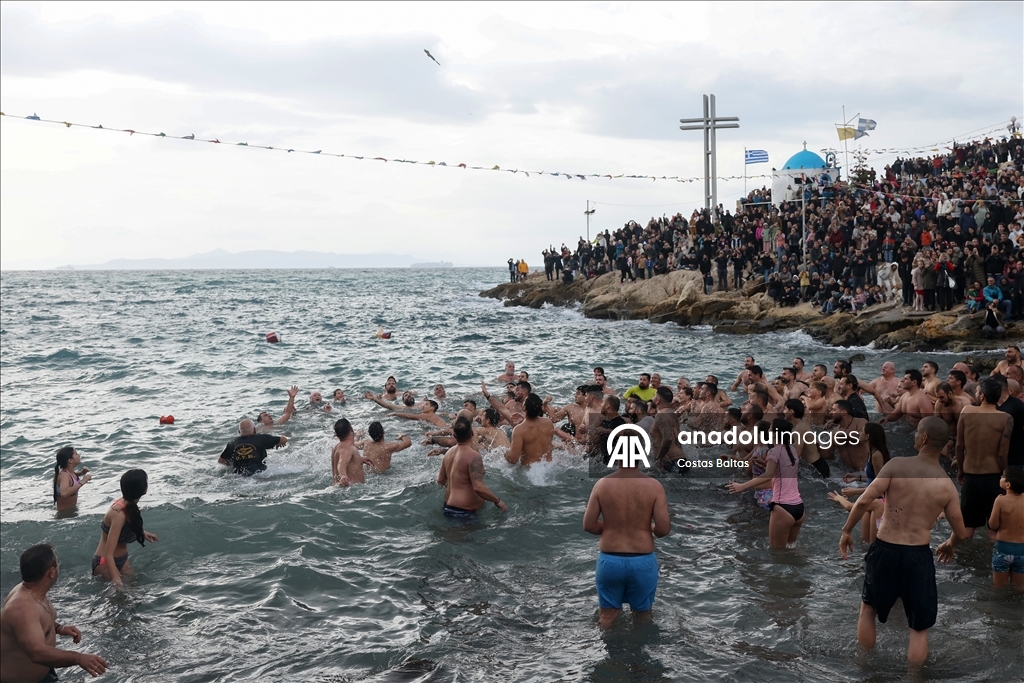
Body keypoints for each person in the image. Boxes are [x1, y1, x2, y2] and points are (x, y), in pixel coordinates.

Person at [841, 417, 969, 665]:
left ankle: (866, 670)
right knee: (918, 628)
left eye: (917, 433)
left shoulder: (896, 465)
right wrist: (950, 544)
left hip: (885, 549)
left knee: (868, 609)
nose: (914, 437)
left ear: (924, 439)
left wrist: (847, 531)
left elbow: (866, 500)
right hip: (918, 556)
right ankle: (914, 677)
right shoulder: (946, 485)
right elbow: (961, 532)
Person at [583, 435, 670, 628]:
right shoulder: (654, 486)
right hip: (642, 561)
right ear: (641, 454)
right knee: (643, 617)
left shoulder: (602, 484)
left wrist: (614, 526)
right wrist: (646, 527)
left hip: (609, 561)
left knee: (606, 617)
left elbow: (589, 525)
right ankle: (639, 658)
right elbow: (663, 529)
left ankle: (610, 659)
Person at [1, 544, 108, 682]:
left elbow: (35, 623)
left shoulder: (34, 592)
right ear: (51, 572)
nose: (59, 566)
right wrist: (78, 658)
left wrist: (59, 628)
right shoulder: (21, 608)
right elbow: (37, 653)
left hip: (45, 674)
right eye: (57, 563)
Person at [727, 419, 805, 548]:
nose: (768, 431)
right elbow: (782, 470)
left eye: (770, 429)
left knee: (776, 554)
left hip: (782, 508)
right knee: (791, 549)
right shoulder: (792, 450)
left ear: (775, 434)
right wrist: (764, 463)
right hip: (799, 507)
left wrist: (742, 486)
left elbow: (768, 475)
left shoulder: (774, 451)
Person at [954, 379, 1012, 539]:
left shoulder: (966, 411)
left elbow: (959, 446)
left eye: (977, 392)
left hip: (971, 476)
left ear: (983, 396)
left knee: (967, 529)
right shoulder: (1006, 418)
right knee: (995, 530)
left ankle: (959, 562)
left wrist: (960, 469)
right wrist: (1006, 475)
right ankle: (992, 564)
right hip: (993, 478)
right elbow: (1002, 454)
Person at [92, 469, 159, 589]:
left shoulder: (129, 504)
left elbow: (123, 528)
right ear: (144, 489)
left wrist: (142, 533)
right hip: (105, 562)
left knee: (135, 590)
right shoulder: (119, 514)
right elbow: (108, 554)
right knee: (120, 598)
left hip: (122, 561)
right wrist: (117, 580)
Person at [829, 422, 890, 543]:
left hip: (877, 500)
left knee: (873, 543)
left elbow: (880, 485)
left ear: (867, 436)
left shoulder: (877, 455)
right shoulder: (870, 453)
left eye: (862, 431)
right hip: (871, 497)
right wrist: (857, 478)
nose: (859, 433)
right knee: (865, 541)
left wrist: (855, 492)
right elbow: (874, 478)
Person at [437, 417, 507, 520]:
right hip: (463, 511)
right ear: (472, 433)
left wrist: (458, 485)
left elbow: (441, 480)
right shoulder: (473, 456)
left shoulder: (449, 453)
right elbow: (478, 487)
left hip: (448, 506)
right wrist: (497, 501)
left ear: (454, 436)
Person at [505, 394, 569, 465]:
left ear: (524, 408)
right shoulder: (548, 422)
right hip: (549, 466)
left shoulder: (519, 430)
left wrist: (504, 452)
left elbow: (513, 460)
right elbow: (535, 425)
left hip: (530, 471)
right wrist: (523, 418)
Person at [988, 468, 1024, 588]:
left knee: (999, 587)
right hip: (1022, 550)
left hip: (1003, 549)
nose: (1000, 478)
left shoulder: (1000, 500)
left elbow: (993, 525)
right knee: (1018, 588)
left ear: (1008, 484)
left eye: (1002, 476)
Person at [218, 419, 287, 475]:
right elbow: (284, 439)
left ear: (239, 432)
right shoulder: (262, 438)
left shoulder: (232, 443)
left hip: (238, 476)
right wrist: (278, 443)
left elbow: (221, 461)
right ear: (254, 430)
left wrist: (232, 463)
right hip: (260, 475)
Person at [650, 387, 684, 470]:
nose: (652, 398)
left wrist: (658, 459)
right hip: (681, 461)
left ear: (658, 400)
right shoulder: (671, 413)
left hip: (672, 463)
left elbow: (668, 438)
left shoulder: (660, 415)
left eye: (654, 396)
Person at [331, 418, 370, 486]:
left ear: (337, 435)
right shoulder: (348, 448)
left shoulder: (336, 447)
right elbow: (341, 464)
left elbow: (344, 460)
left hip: (338, 488)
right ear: (351, 429)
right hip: (350, 492)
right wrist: (343, 476)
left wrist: (358, 459)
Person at [52, 447, 91, 513]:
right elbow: (64, 493)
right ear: (70, 460)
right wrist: (83, 482)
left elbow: (72, 478)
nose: (79, 455)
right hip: (63, 515)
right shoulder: (64, 475)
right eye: (76, 454)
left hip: (70, 511)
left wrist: (81, 473)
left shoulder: (69, 473)